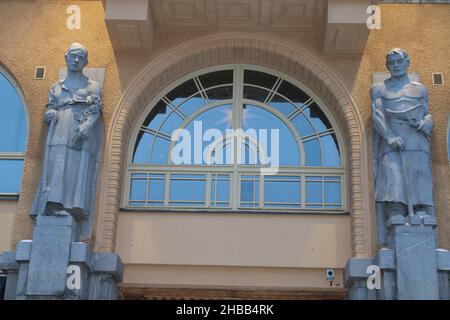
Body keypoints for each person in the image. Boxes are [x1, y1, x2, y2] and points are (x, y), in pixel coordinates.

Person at [31, 43, 103, 220]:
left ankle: (73, 206)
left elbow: (96, 109)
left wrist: (87, 125)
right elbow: (50, 107)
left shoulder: (93, 86)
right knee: (57, 163)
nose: (76, 60)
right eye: (73, 56)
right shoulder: (57, 87)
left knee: (75, 166)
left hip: (80, 129)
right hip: (60, 127)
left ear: (85, 62)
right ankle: (53, 204)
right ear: (66, 57)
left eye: (80, 57)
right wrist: (50, 113)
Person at [371, 48, 434, 222]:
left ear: (407, 62)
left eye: (399, 61)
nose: (396, 66)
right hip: (392, 136)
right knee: (392, 173)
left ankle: (420, 208)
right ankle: (395, 209)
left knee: (419, 170)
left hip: (416, 136)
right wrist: (389, 135)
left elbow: (426, 112)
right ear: (387, 66)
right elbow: (377, 114)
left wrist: (428, 121)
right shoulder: (379, 88)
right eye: (391, 63)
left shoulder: (420, 89)